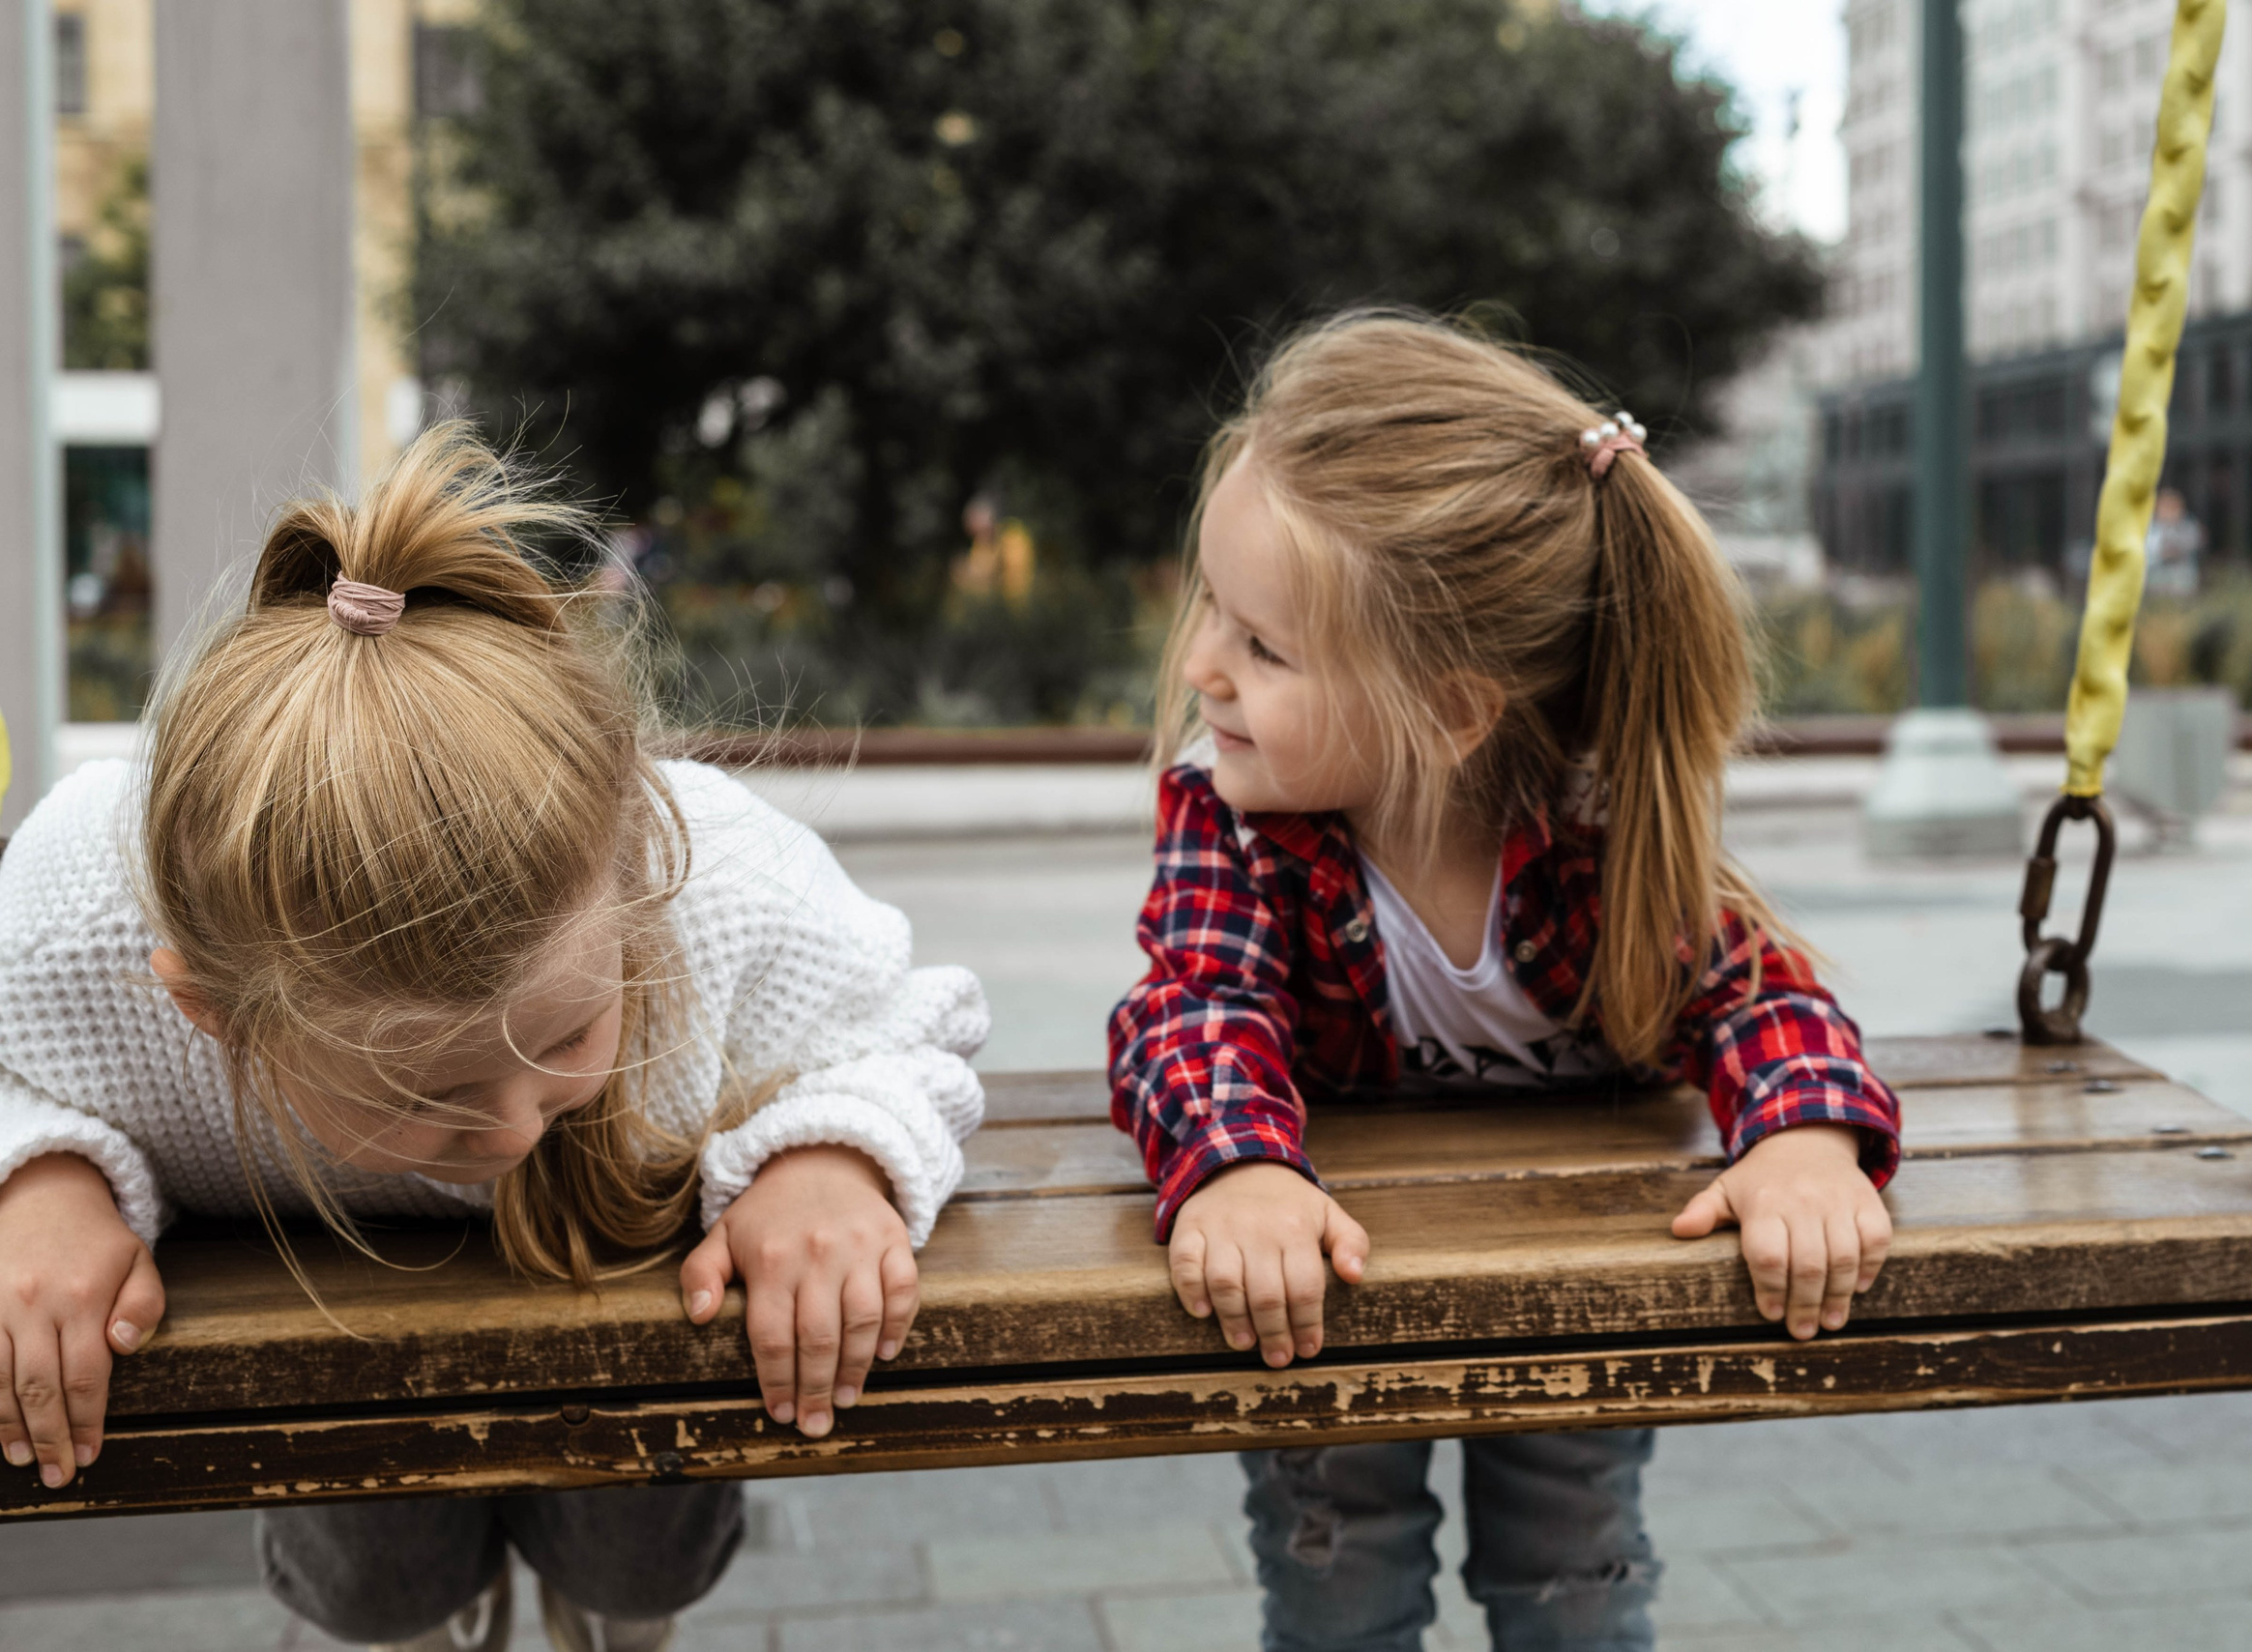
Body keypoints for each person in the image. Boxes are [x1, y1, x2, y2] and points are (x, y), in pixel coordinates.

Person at [0, 426, 987, 1652]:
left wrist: (829, 1158)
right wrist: (40, 1173)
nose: (514, 1122)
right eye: (430, 1088)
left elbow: (909, 1022)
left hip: (622, 1304)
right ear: (208, 1007)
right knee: (375, 1580)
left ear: (632, 864)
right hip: (333, 1334)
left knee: (636, 1556)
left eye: (571, 1029)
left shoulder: (721, 879)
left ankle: (619, 1610)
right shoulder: (75, 914)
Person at [1108, 312, 1902, 1652]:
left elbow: (1762, 997)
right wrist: (1239, 1165)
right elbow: (1193, 1005)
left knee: (1571, 1565)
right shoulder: (1236, 816)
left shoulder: (1598, 826)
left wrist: (1805, 1143)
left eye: (1264, 647)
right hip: (1337, 1269)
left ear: (1452, 709)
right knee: (1336, 1571)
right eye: (1212, 611)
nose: (1203, 669)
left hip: (1566, 1261)